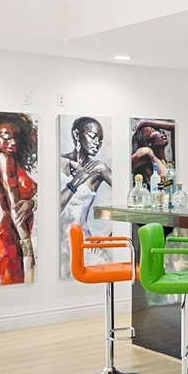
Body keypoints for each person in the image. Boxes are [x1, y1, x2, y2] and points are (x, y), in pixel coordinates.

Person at [0, 112, 38, 286]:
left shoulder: (4, 161)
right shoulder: (4, 161)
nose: (13, 142)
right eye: (6, 137)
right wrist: (28, 254)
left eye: (17, 137)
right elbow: (16, 212)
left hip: (5, 242)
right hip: (8, 243)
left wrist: (32, 203)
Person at [59, 117, 112, 277]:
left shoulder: (99, 169)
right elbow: (53, 208)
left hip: (83, 242)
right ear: (76, 134)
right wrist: (77, 180)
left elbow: (130, 199)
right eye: (93, 136)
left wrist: (107, 237)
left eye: (100, 140)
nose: (97, 143)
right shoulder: (59, 162)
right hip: (57, 240)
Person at [130, 118, 174, 184]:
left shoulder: (168, 163)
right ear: (148, 143)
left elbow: (173, 127)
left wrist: (145, 122)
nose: (162, 132)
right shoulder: (147, 153)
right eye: (153, 131)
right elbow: (124, 166)